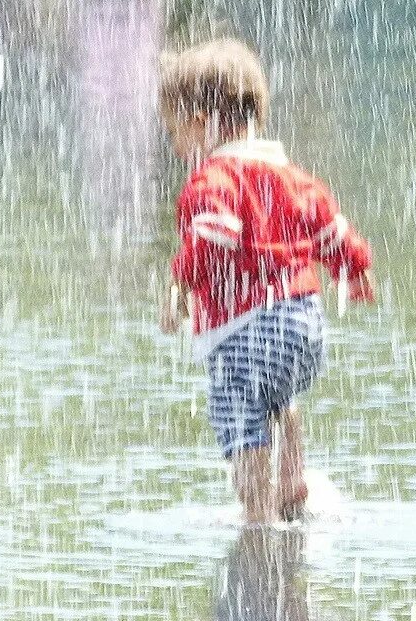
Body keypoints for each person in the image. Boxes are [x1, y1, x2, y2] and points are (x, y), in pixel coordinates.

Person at [159, 38, 376, 525]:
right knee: (278, 393)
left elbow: (212, 238)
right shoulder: (294, 177)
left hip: (247, 330)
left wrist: (178, 286)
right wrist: (353, 269)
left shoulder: (214, 180)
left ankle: (257, 515)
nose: (175, 147)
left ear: (200, 125)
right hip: (306, 325)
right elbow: (330, 227)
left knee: (238, 411)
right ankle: (293, 475)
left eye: (175, 133)